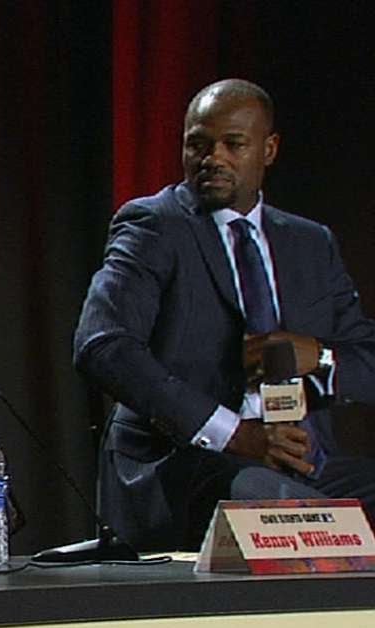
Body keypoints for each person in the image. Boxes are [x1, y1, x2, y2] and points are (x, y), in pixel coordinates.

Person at [74, 79, 375, 550]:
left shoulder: (310, 243)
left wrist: (319, 356)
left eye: (233, 144)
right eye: (198, 143)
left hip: (303, 463)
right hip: (186, 468)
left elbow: (367, 360)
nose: (212, 157)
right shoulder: (154, 226)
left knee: (294, 501)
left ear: (269, 149)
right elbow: (103, 347)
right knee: (272, 505)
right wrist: (235, 435)